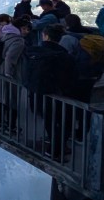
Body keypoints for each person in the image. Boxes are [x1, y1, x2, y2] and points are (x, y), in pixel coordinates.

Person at [22, 24, 78, 159]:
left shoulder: (32, 52)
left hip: (37, 93)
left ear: (45, 36)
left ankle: (53, 146)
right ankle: (55, 150)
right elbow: (71, 78)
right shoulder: (65, 57)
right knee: (64, 123)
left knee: (49, 120)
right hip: (58, 95)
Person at [0, 17, 31, 133]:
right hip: (12, 73)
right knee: (12, 100)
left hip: (1, 69)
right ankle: (11, 126)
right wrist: (9, 74)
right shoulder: (19, 41)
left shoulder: (6, 35)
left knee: (1, 97)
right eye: (24, 29)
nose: (26, 31)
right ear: (18, 28)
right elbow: (10, 57)